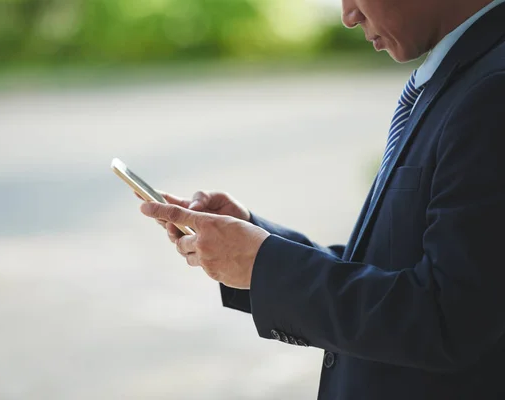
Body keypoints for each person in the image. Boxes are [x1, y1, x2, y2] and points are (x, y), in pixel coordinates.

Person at [140, 0, 505, 398]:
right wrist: (255, 240)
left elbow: (447, 318)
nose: (348, 16)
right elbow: (396, 269)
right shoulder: (466, 73)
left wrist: (264, 264)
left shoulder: (491, 90)